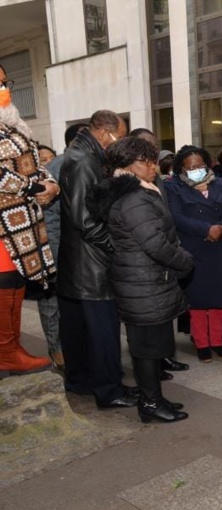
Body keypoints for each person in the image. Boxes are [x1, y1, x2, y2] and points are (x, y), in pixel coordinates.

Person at [89, 137, 192, 423]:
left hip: (146, 279)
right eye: (144, 161)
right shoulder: (134, 198)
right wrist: (185, 260)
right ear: (125, 166)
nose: (153, 166)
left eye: (153, 160)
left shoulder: (140, 192)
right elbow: (155, 244)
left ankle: (154, 397)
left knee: (151, 345)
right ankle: (149, 403)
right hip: (142, 281)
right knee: (146, 348)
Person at [57, 110, 136, 408]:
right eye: (121, 135)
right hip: (91, 263)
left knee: (79, 331)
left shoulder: (83, 156)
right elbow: (84, 219)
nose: (121, 142)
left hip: (80, 262)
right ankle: (108, 390)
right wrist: (116, 246)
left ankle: (82, 381)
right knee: (103, 331)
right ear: (105, 133)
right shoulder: (83, 161)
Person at [0, 66, 57, 376]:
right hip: (3, 225)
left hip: (25, 224)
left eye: (4, 82)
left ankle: (11, 347)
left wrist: (51, 184)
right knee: (5, 283)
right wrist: (35, 189)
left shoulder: (16, 126)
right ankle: (5, 352)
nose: (4, 90)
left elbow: (37, 163)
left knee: (17, 284)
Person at [129, 128, 190, 378]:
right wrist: (181, 259)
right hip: (145, 266)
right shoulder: (132, 191)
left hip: (162, 260)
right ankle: (152, 381)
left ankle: (165, 358)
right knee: (148, 328)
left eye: (154, 146)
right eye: (146, 147)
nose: (152, 152)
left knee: (164, 318)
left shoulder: (156, 180)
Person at [167, 145, 222, 362]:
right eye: (192, 167)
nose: (197, 170)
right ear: (182, 169)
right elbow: (176, 217)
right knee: (197, 299)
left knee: (218, 297)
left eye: (201, 166)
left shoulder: (219, 183)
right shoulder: (174, 188)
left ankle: (217, 340)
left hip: (219, 245)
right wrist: (206, 230)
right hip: (195, 246)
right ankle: (202, 342)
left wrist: (221, 228)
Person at [42, 124, 88, 370]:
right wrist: (53, 253)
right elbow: (50, 216)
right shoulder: (59, 166)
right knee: (52, 300)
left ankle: (70, 349)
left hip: (74, 247)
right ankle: (57, 349)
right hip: (59, 246)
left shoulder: (82, 163)